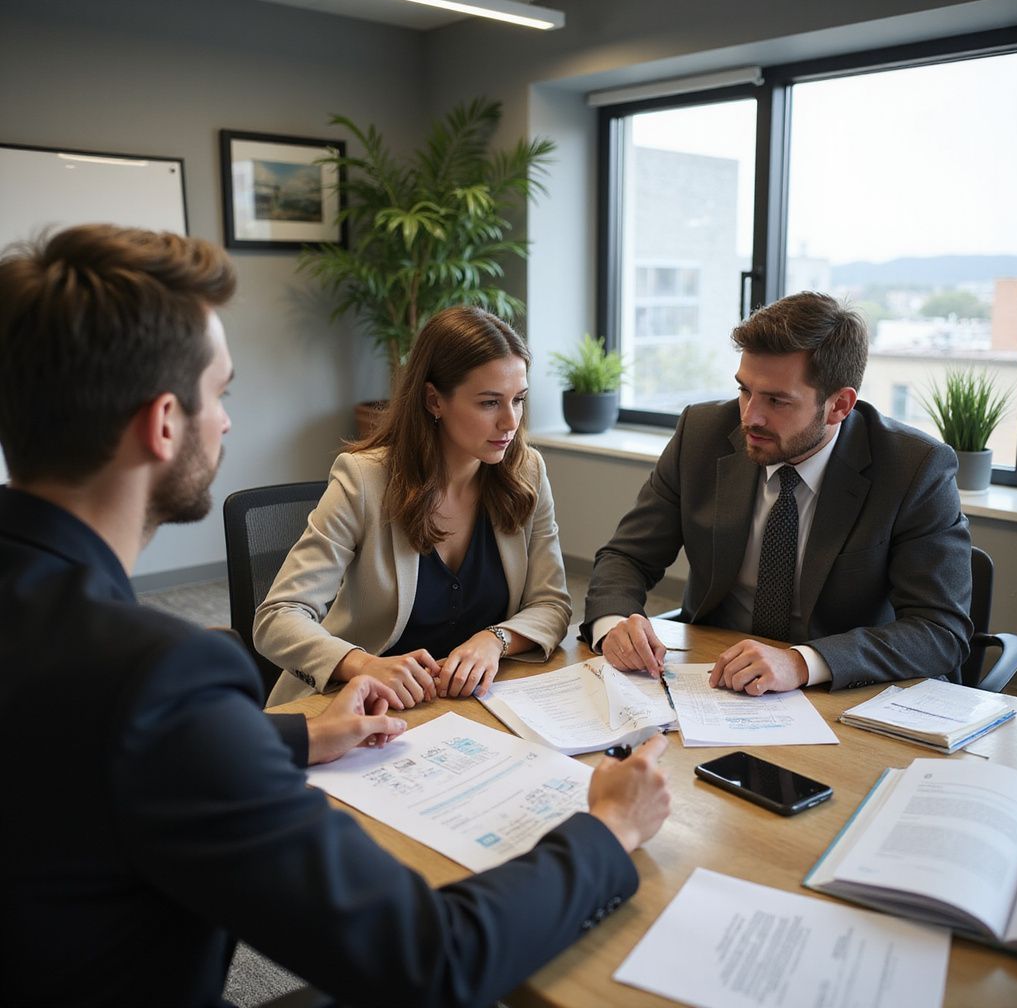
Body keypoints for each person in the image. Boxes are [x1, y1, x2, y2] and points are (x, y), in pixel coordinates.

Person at [0, 224, 670, 1008]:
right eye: (222, 394)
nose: (227, 422)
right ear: (163, 424)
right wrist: (609, 831)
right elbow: (429, 961)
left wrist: (294, 734)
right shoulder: (162, 678)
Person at [582, 291, 972, 694]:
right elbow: (627, 556)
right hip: (712, 678)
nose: (750, 417)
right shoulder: (701, 434)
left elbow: (939, 630)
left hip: (839, 690)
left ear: (839, 405)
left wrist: (801, 663)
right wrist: (613, 624)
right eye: (744, 390)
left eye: (777, 401)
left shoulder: (914, 468)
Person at [255, 306, 572, 709]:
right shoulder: (364, 480)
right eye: (490, 403)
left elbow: (552, 604)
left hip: (469, 704)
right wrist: (362, 664)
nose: (510, 422)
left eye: (519, 400)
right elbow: (278, 616)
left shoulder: (526, 471)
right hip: (361, 705)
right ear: (433, 400)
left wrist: (495, 640)